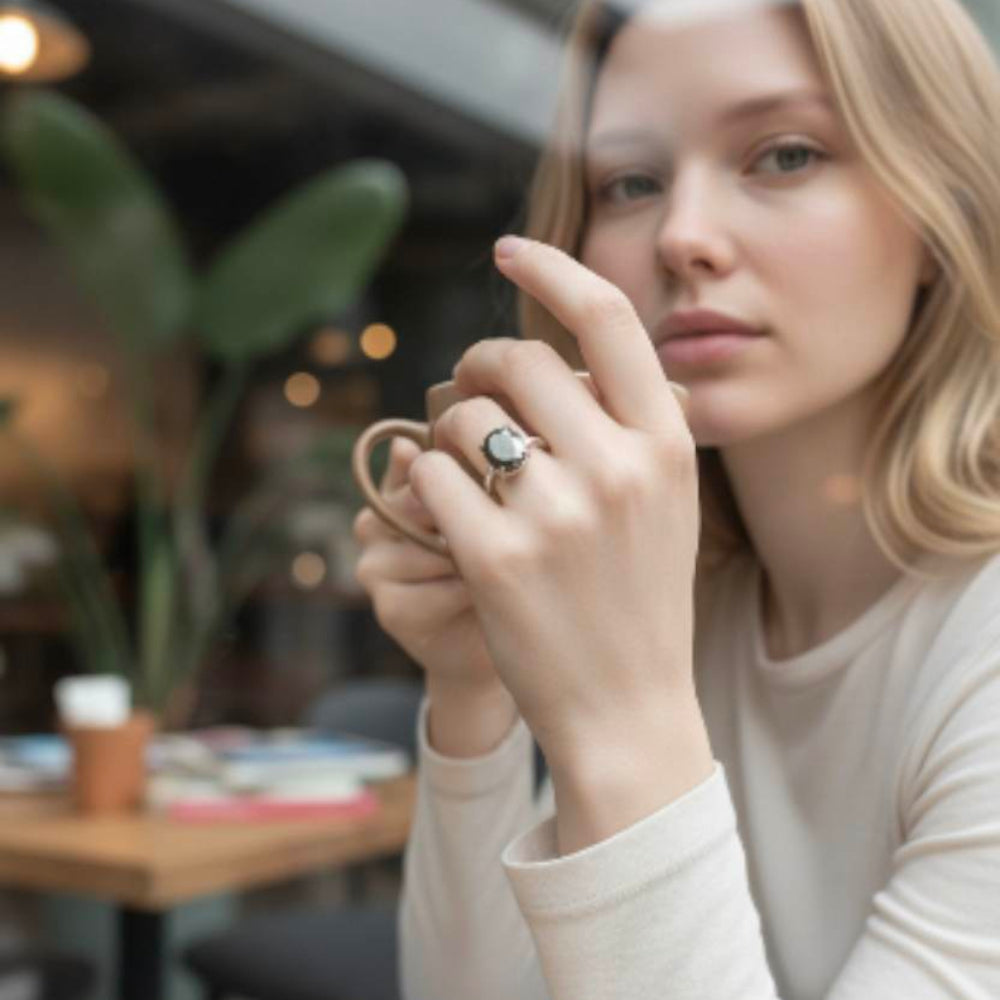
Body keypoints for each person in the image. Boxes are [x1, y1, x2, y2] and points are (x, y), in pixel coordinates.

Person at [351, 0, 1000, 996]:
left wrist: (623, 720)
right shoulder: (678, 599)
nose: (682, 236)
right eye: (630, 182)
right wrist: (475, 692)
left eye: (785, 155)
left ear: (939, 215)